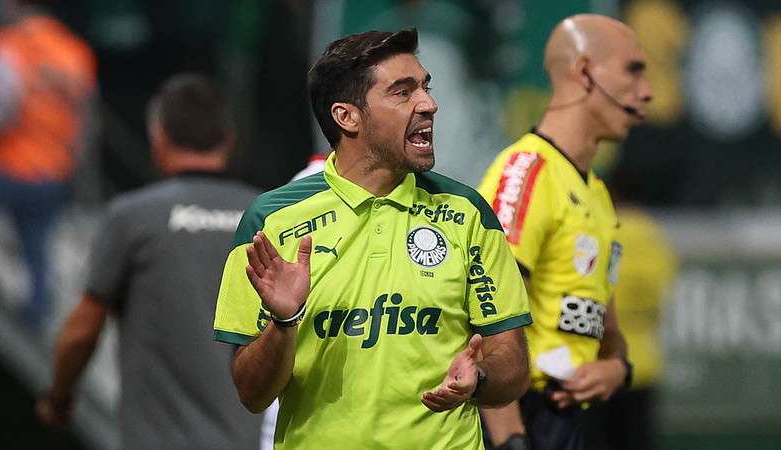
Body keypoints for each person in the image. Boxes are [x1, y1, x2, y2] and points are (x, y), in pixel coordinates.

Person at [213, 29, 532, 449]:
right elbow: (252, 394)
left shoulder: (468, 212)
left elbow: (512, 362)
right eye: (403, 92)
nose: (429, 104)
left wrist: (480, 379)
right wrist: (284, 322)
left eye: (425, 87)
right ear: (348, 117)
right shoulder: (270, 219)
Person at [37, 74, 263, 450]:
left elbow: (81, 332)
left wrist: (59, 400)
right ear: (229, 138)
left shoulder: (133, 216)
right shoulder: (268, 217)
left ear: (158, 137)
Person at [477, 14, 653, 450]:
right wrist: (511, 440)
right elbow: (482, 323)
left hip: (570, 423)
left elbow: (606, 329)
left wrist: (617, 369)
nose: (647, 91)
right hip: (520, 418)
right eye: (633, 69)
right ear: (584, 71)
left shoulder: (596, 193)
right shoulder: (527, 172)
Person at [0, 0, 96, 326]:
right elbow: (86, 119)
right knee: (36, 240)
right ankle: (37, 312)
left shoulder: (8, 45)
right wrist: (73, 164)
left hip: (10, 164)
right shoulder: (75, 51)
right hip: (53, 172)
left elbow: (0, 106)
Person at [580, 166, 678, 450]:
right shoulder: (655, 235)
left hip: (598, 361)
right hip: (644, 364)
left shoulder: (603, 228)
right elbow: (662, 291)